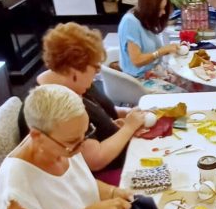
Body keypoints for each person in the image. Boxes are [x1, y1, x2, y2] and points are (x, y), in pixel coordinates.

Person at [0, 85, 133, 209]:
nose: (81, 147)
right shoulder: (19, 183)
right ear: (37, 136)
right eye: (74, 142)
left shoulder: (65, 143)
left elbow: (78, 182)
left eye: (86, 134)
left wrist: (112, 192)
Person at [18, 22, 146, 186]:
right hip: (93, 180)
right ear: (74, 72)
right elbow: (95, 160)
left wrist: (127, 116)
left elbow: (105, 112)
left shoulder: (76, 84)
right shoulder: (55, 107)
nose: (96, 75)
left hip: (119, 158)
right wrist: (129, 128)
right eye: (94, 69)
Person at [118, 0, 189, 93]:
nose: (163, 12)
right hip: (138, 80)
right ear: (149, 8)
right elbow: (137, 61)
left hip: (153, 71)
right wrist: (161, 51)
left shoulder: (145, 21)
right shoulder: (130, 22)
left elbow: (152, 51)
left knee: (189, 81)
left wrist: (169, 49)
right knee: (182, 94)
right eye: (160, 9)